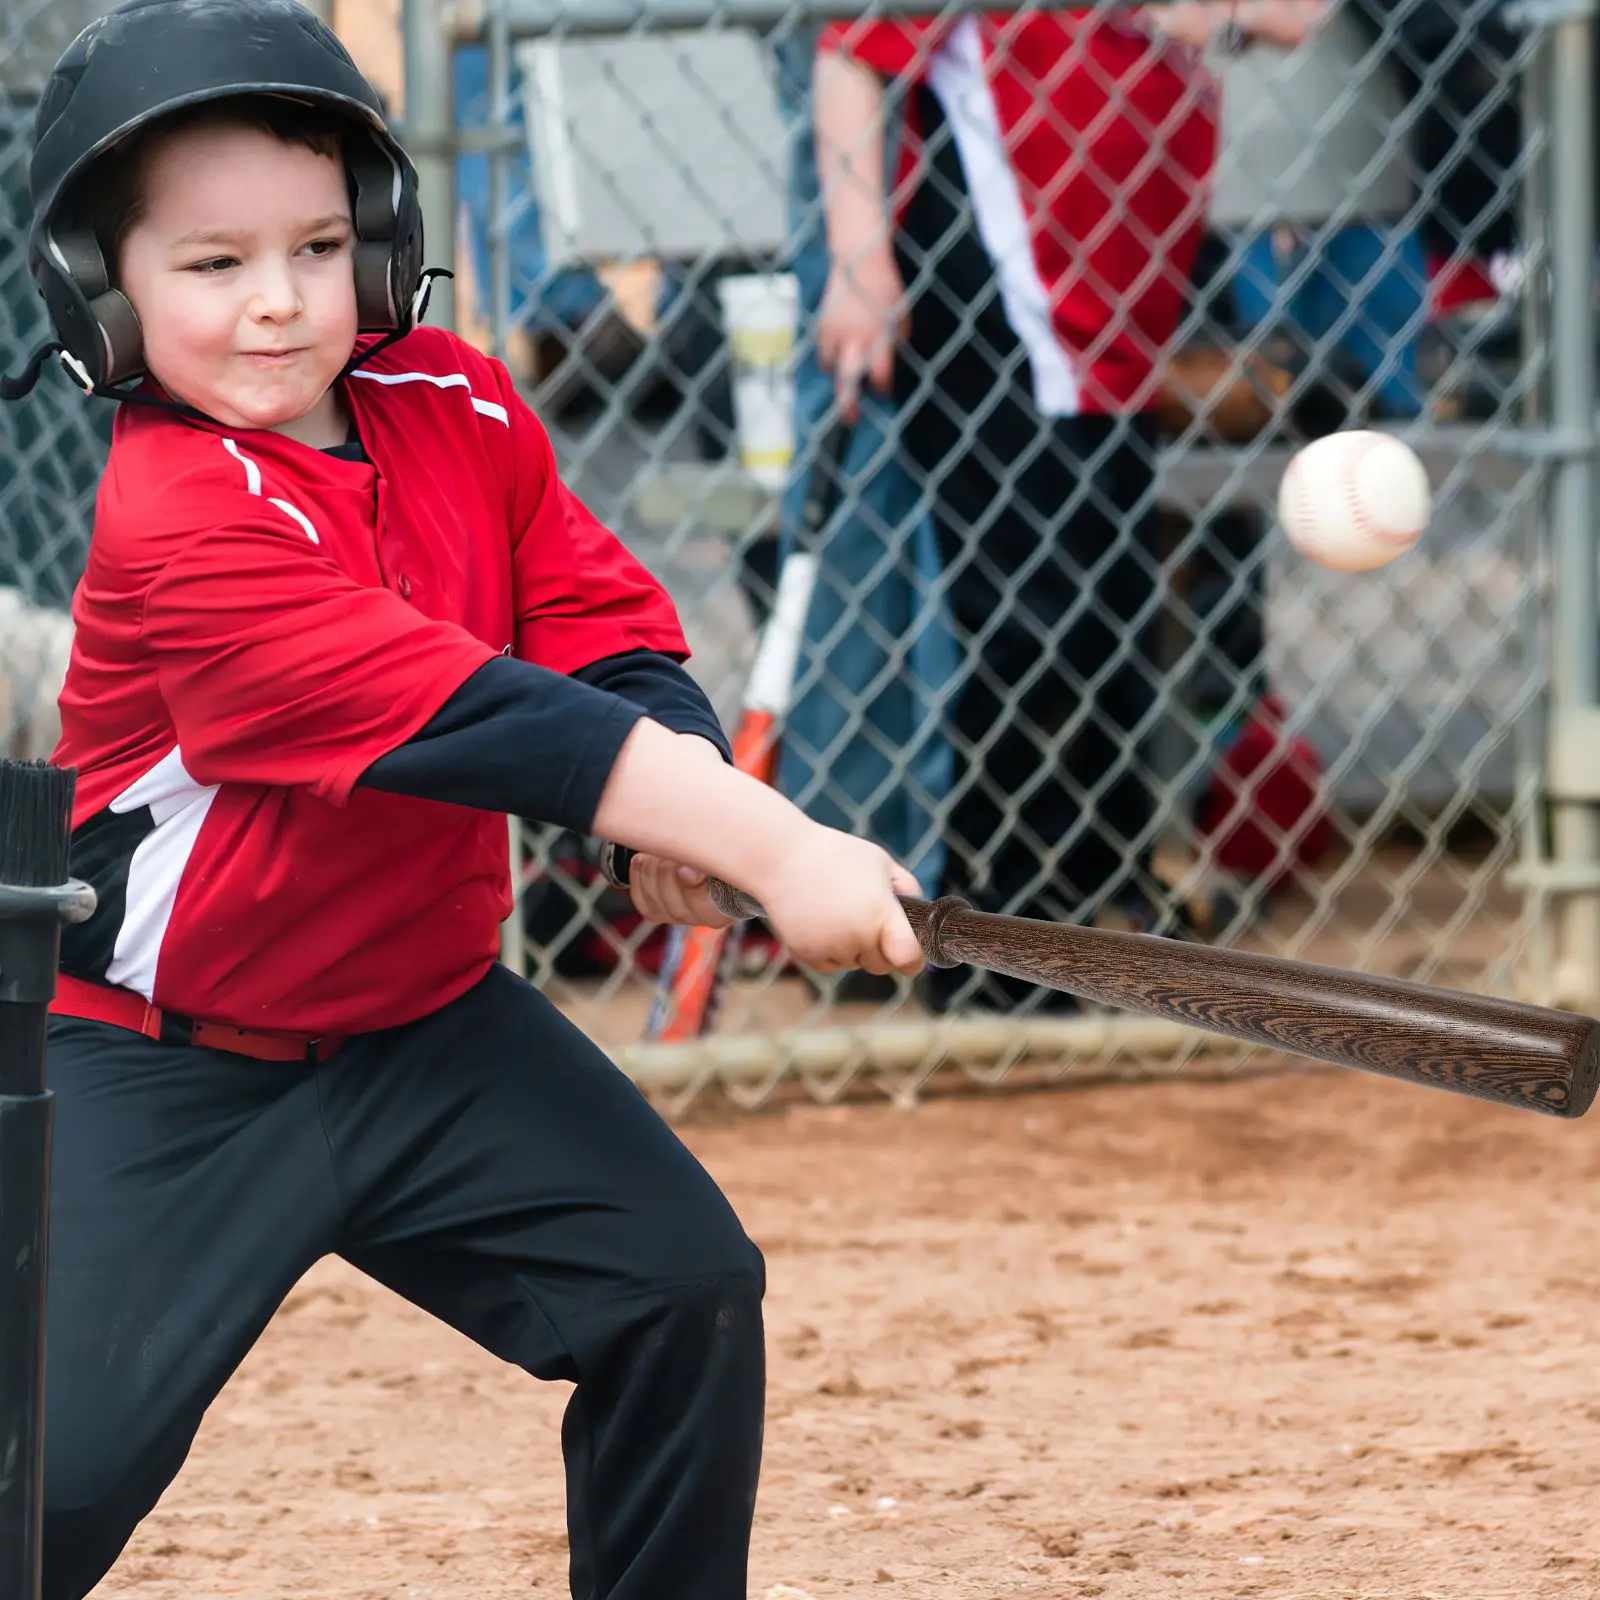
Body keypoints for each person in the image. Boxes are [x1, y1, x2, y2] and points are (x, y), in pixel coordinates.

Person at [5, 3, 924, 1596]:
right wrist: (766, 840)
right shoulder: (178, 516)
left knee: (678, 1291)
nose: (280, 302)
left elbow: (595, 630)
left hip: (428, 1026)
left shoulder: (458, 399)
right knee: (47, 1489)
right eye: (211, 265)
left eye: (316, 244)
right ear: (105, 295)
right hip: (158, 1060)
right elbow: (470, 714)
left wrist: (673, 799)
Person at [811, 10, 1218, 1011]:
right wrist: (862, 263)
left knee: (1112, 607)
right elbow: (850, 53)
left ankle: (1095, 904)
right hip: (1000, 271)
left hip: (1127, 287)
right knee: (1031, 617)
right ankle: (1007, 943)